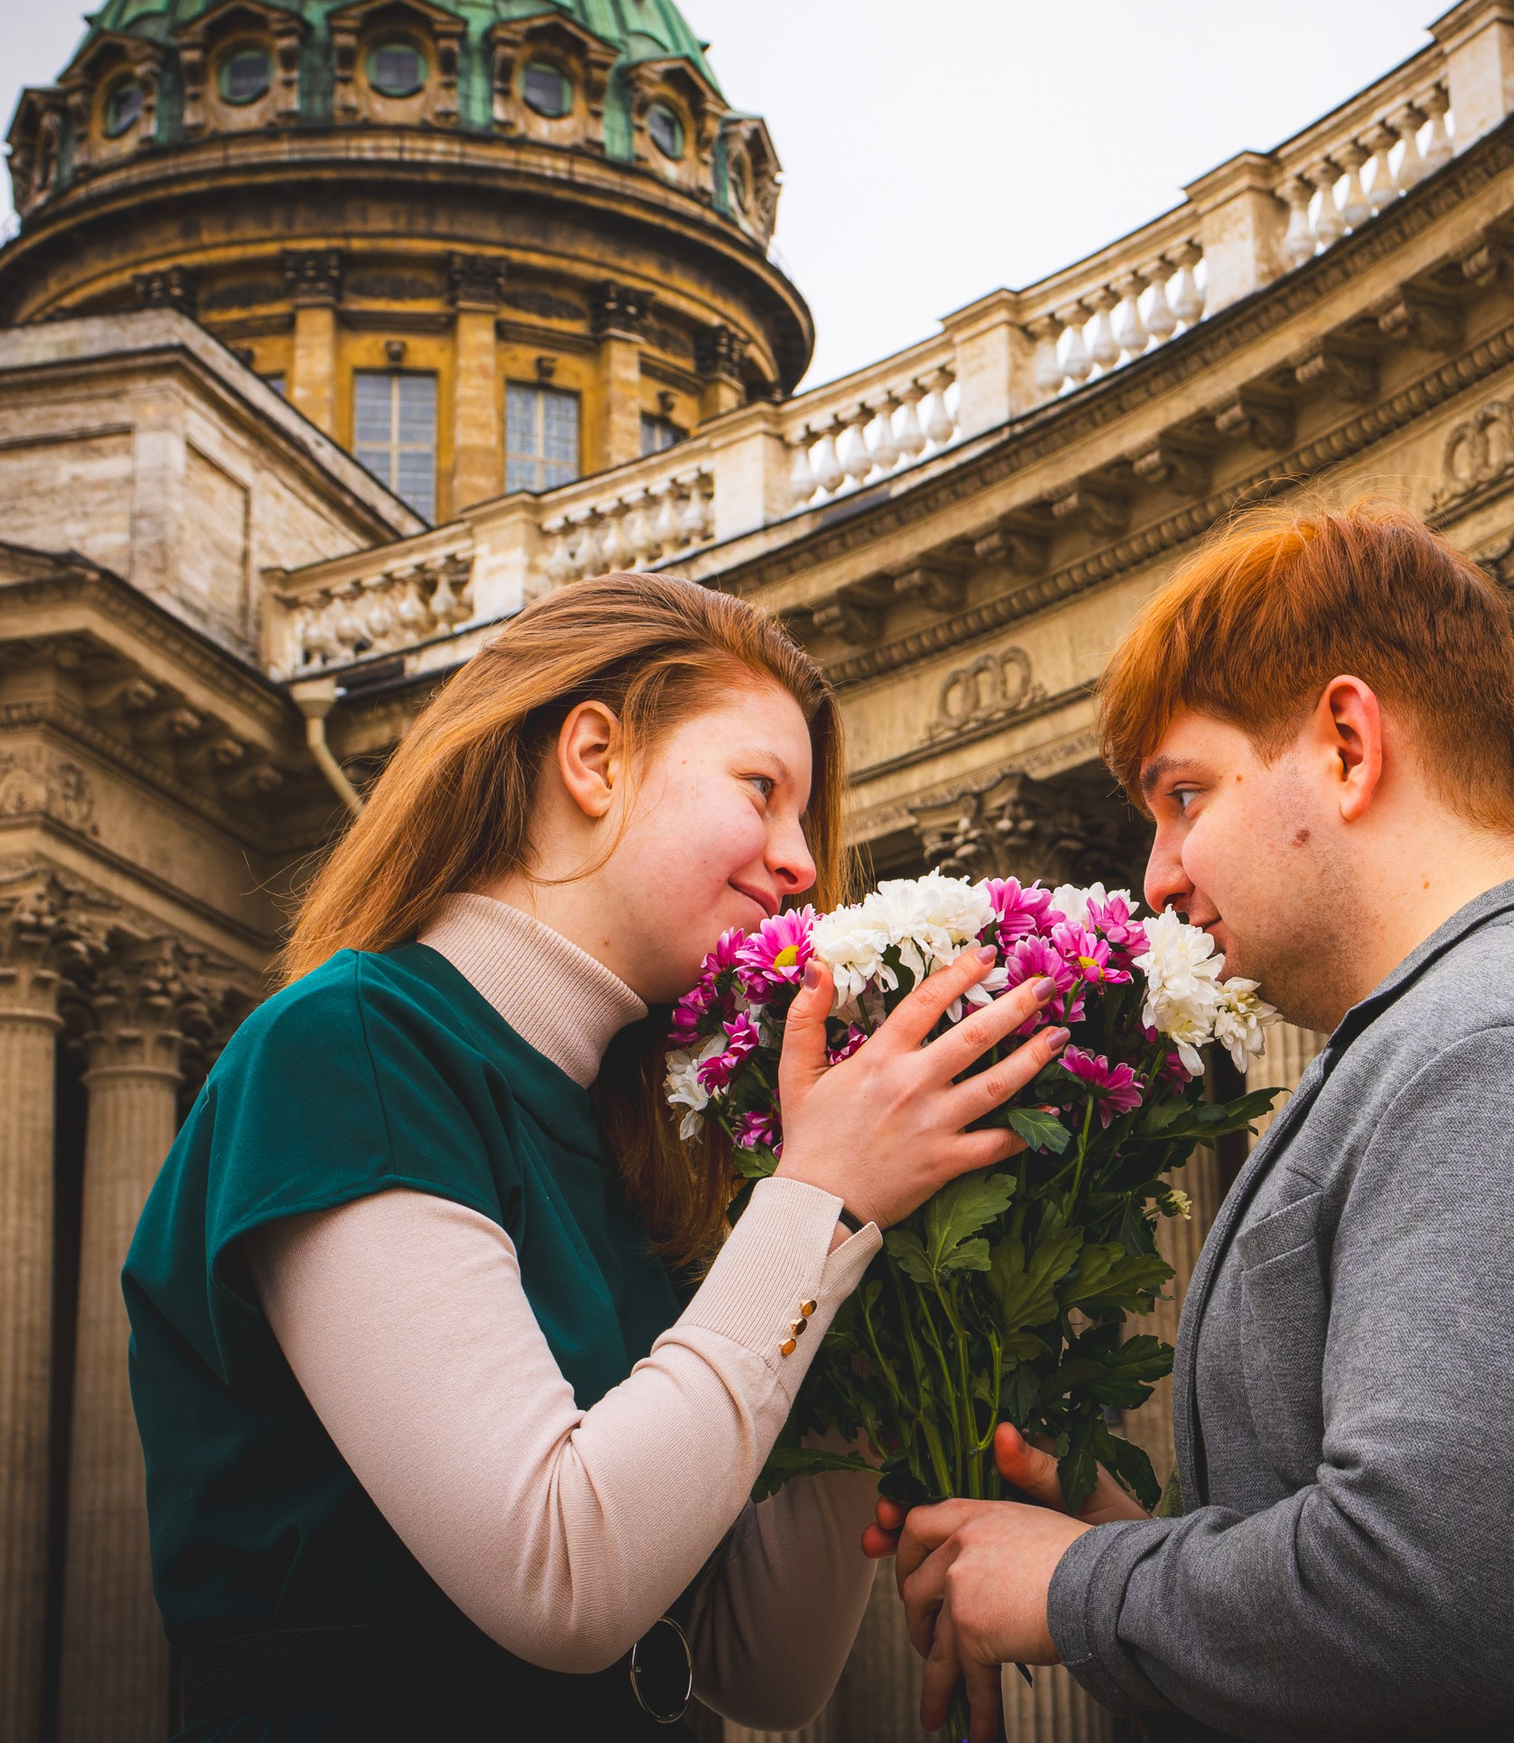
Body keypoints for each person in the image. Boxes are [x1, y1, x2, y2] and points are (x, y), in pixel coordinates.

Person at [878, 504, 1514, 1741]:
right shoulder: (1459, 1031)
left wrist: (1073, 1588)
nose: (1156, 874)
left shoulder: (1512, 1049)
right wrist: (1128, 1550)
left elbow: (1422, 1605)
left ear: (1344, 742)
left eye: (1184, 794)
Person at [123, 572, 1070, 1739]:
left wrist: (872, 1293)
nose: (799, 866)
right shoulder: (351, 1044)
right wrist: (819, 1201)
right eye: (760, 789)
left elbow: (759, 1668)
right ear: (592, 756)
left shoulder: (635, 1141)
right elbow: (562, 1577)